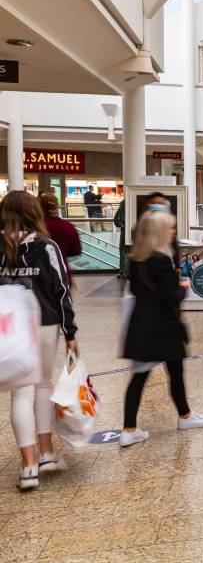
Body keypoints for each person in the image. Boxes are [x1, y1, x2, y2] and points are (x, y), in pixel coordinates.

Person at [0, 191, 77, 490]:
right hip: (44, 324)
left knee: (20, 393)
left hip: (9, 327)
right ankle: (46, 453)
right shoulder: (45, 247)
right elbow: (61, 290)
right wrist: (71, 331)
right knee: (43, 383)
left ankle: (28, 467)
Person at [120, 211, 203, 447]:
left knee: (141, 376)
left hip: (142, 327)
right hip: (163, 328)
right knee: (174, 372)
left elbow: (140, 291)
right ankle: (184, 416)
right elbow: (171, 297)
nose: (173, 232)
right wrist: (183, 286)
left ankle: (131, 427)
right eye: (170, 228)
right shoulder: (160, 260)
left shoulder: (137, 259)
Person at [39, 194, 81, 285]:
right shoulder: (68, 226)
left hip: (39, 277)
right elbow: (76, 251)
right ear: (56, 206)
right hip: (62, 274)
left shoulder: (35, 227)